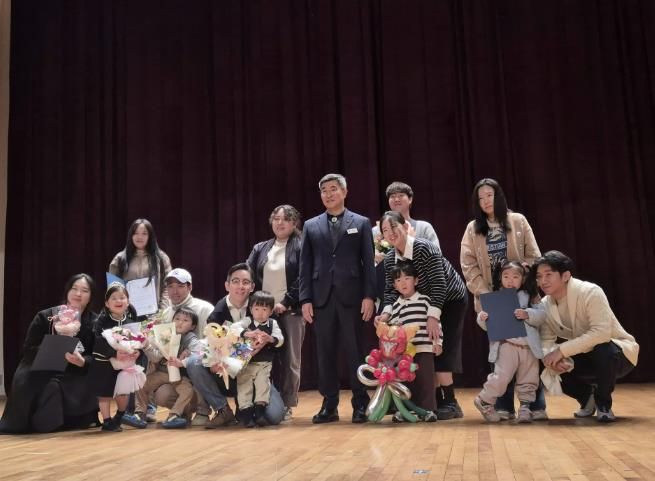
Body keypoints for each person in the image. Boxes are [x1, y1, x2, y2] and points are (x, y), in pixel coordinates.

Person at [460, 178, 546, 420]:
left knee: (530, 350)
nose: (486, 201)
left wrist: (522, 277)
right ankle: (503, 406)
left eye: (490, 195)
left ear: (499, 196)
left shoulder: (518, 220)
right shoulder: (472, 228)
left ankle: (534, 405)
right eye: (481, 198)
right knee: (502, 354)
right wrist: (486, 294)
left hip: (522, 294)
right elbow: (468, 264)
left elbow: (534, 255)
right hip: (494, 298)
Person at [299, 173, 376, 424]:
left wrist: (369, 296)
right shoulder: (311, 225)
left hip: (352, 297)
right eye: (324, 190)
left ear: (344, 192)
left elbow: (369, 264)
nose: (328, 194)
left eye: (333, 189)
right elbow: (305, 266)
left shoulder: (361, 222)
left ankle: (360, 403)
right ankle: (329, 404)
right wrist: (305, 299)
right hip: (321, 298)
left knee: (355, 351)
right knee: (325, 353)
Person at [377, 211, 468, 420]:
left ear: (405, 226)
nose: (391, 233)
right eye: (385, 230)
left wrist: (433, 317)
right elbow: (390, 291)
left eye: (394, 227)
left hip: (450, 299)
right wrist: (385, 314)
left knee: (442, 348)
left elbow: (439, 284)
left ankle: (451, 403)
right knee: (421, 350)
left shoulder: (425, 248)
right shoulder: (390, 258)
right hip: (422, 303)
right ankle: (432, 403)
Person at [535, 251, 638, 422]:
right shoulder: (544, 305)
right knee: (542, 359)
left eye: (548, 274)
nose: (543, 281)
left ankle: (603, 404)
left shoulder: (590, 291)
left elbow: (601, 333)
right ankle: (586, 398)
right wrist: (552, 357)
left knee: (603, 348)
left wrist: (561, 351)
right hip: (584, 355)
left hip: (619, 355)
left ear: (565, 275)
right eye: (539, 276)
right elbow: (546, 340)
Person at [185, 263, 286, 428]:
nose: (241, 286)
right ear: (227, 285)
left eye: (246, 282)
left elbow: (279, 344)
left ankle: (246, 407)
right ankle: (223, 410)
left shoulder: (263, 307)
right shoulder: (216, 314)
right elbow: (210, 344)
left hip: (255, 372)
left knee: (273, 416)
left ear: (252, 287)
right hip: (225, 373)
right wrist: (214, 362)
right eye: (236, 281)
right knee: (193, 362)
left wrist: (266, 342)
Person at [0, 274, 99, 434]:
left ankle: (55, 423)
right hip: (40, 367)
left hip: (74, 371)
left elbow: (98, 356)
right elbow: (29, 348)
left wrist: (83, 362)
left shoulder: (96, 322)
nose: (78, 294)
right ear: (67, 291)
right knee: (35, 383)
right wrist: (51, 348)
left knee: (58, 386)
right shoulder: (45, 316)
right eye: (74, 288)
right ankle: (28, 422)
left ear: (91, 296)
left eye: (84, 290)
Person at [246, 204, 303, 419]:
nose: (280, 223)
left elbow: (304, 278)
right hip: (262, 313)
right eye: (276, 218)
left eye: (286, 219)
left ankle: (287, 404)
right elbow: (248, 274)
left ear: (294, 223)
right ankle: (257, 402)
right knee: (257, 357)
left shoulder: (301, 246)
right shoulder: (260, 248)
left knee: (290, 360)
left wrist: (286, 302)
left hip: (290, 311)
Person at [473, 261, 545, 423]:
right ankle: (484, 400)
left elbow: (542, 315)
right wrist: (482, 318)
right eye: (506, 276)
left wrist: (528, 314)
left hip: (528, 347)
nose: (510, 280)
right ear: (500, 278)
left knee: (529, 379)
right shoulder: (495, 297)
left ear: (523, 279)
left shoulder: (530, 296)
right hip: (506, 345)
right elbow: (487, 326)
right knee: (501, 376)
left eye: (515, 277)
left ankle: (525, 408)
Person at [385, 262, 441, 421]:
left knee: (426, 381)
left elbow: (436, 325)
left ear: (416, 281)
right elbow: (393, 330)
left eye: (407, 278)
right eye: (398, 280)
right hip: (405, 354)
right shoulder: (395, 306)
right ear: (394, 286)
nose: (403, 283)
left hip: (424, 348)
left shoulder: (425, 301)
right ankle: (405, 411)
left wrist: (438, 343)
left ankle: (428, 410)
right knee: (405, 381)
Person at [133, 307, 202, 429]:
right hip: (163, 373)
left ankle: (175, 415)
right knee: (141, 382)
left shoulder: (191, 338)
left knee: (187, 390)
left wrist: (183, 360)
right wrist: (146, 345)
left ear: (193, 326)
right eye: (177, 319)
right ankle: (140, 413)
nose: (180, 322)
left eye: (185, 320)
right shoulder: (166, 334)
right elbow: (155, 357)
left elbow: (198, 353)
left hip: (180, 375)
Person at [88, 283, 140, 432]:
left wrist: (137, 352)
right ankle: (106, 421)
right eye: (114, 298)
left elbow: (138, 341)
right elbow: (98, 342)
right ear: (107, 303)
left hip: (124, 365)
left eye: (122, 297)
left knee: (123, 393)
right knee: (104, 394)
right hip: (103, 363)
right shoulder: (101, 321)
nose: (118, 301)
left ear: (128, 302)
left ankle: (119, 417)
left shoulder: (131, 323)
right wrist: (113, 353)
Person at [233, 291, 284, 428]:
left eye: (264, 309)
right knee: (244, 387)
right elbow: (233, 328)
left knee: (263, 386)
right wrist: (246, 333)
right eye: (256, 309)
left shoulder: (272, 323)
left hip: (264, 363)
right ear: (251, 309)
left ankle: (260, 414)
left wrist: (271, 339)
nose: (260, 313)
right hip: (246, 363)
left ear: (271, 311)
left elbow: (280, 340)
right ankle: (247, 417)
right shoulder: (248, 321)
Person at [108, 218, 172, 311]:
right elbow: (112, 288)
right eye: (136, 233)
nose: (139, 237)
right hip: (127, 313)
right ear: (131, 235)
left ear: (150, 236)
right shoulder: (120, 259)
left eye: (144, 234)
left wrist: (162, 311)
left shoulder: (161, 258)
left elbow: (168, 286)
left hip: (155, 313)